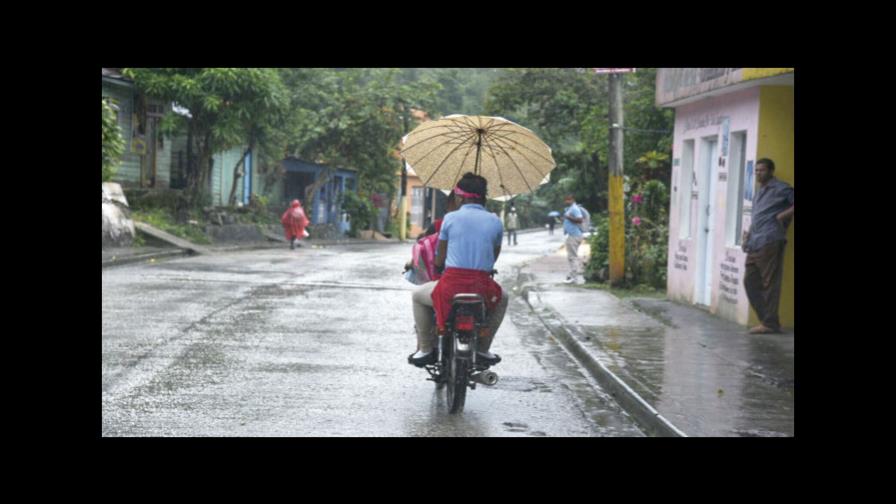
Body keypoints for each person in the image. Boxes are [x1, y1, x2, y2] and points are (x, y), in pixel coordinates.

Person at [408, 173, 507, 367]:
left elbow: (440, 258)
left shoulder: (450, 219)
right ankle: (483, 349)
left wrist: (439, 264)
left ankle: (426, 349)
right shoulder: (495, 221)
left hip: (451, 286)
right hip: (482, 287)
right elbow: (493, 258)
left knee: (417, 296)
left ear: (460, 197)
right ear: (483, 196)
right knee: (503, 298)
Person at [742, 158, 794, 334]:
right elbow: (757, 216)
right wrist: (748, 236)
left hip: (771, 240)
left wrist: (782, 216)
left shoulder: (782, 188)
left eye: (762, 170)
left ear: (771, 171)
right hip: (755, 241)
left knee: (770, 283)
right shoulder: (759, 192)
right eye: (756, 170)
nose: (758, 173)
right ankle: (767, 320)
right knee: (750, 281)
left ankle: (770, 323)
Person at [562, 195, 586, 285]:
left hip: (574, 236)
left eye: (568, 200)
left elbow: (580, 220)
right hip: (572, 235)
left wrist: (568, 217)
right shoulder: (570, 209)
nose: (566, 202)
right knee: (571, 257)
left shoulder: (574, 209)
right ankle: (572, 275)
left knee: (572, 257)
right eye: (565, 200)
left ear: (572, 200)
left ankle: (574, 278)